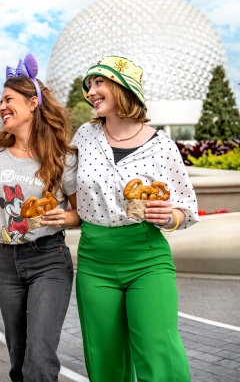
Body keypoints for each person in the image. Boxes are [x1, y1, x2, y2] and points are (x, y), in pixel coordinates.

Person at [71, 55, 199, 381]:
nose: (90, 91)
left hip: (146, 256)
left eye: (99, 82)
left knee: (160, 354)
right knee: (104, 359)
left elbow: (186, 208)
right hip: (94, 257)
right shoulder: (84, 136)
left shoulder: (163, 146)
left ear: (123, 87)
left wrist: (168, 217)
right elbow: (66, 187)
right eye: (89, 85)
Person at [0, 54, 79, 381]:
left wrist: (61, 218)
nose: (1, 107)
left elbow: (79, 215)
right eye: (0, 101)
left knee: (39, 357)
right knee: (18, 359)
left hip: (49, 260)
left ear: (33, 102)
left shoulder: (62, 155)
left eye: (8, 100)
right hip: (6, 263)